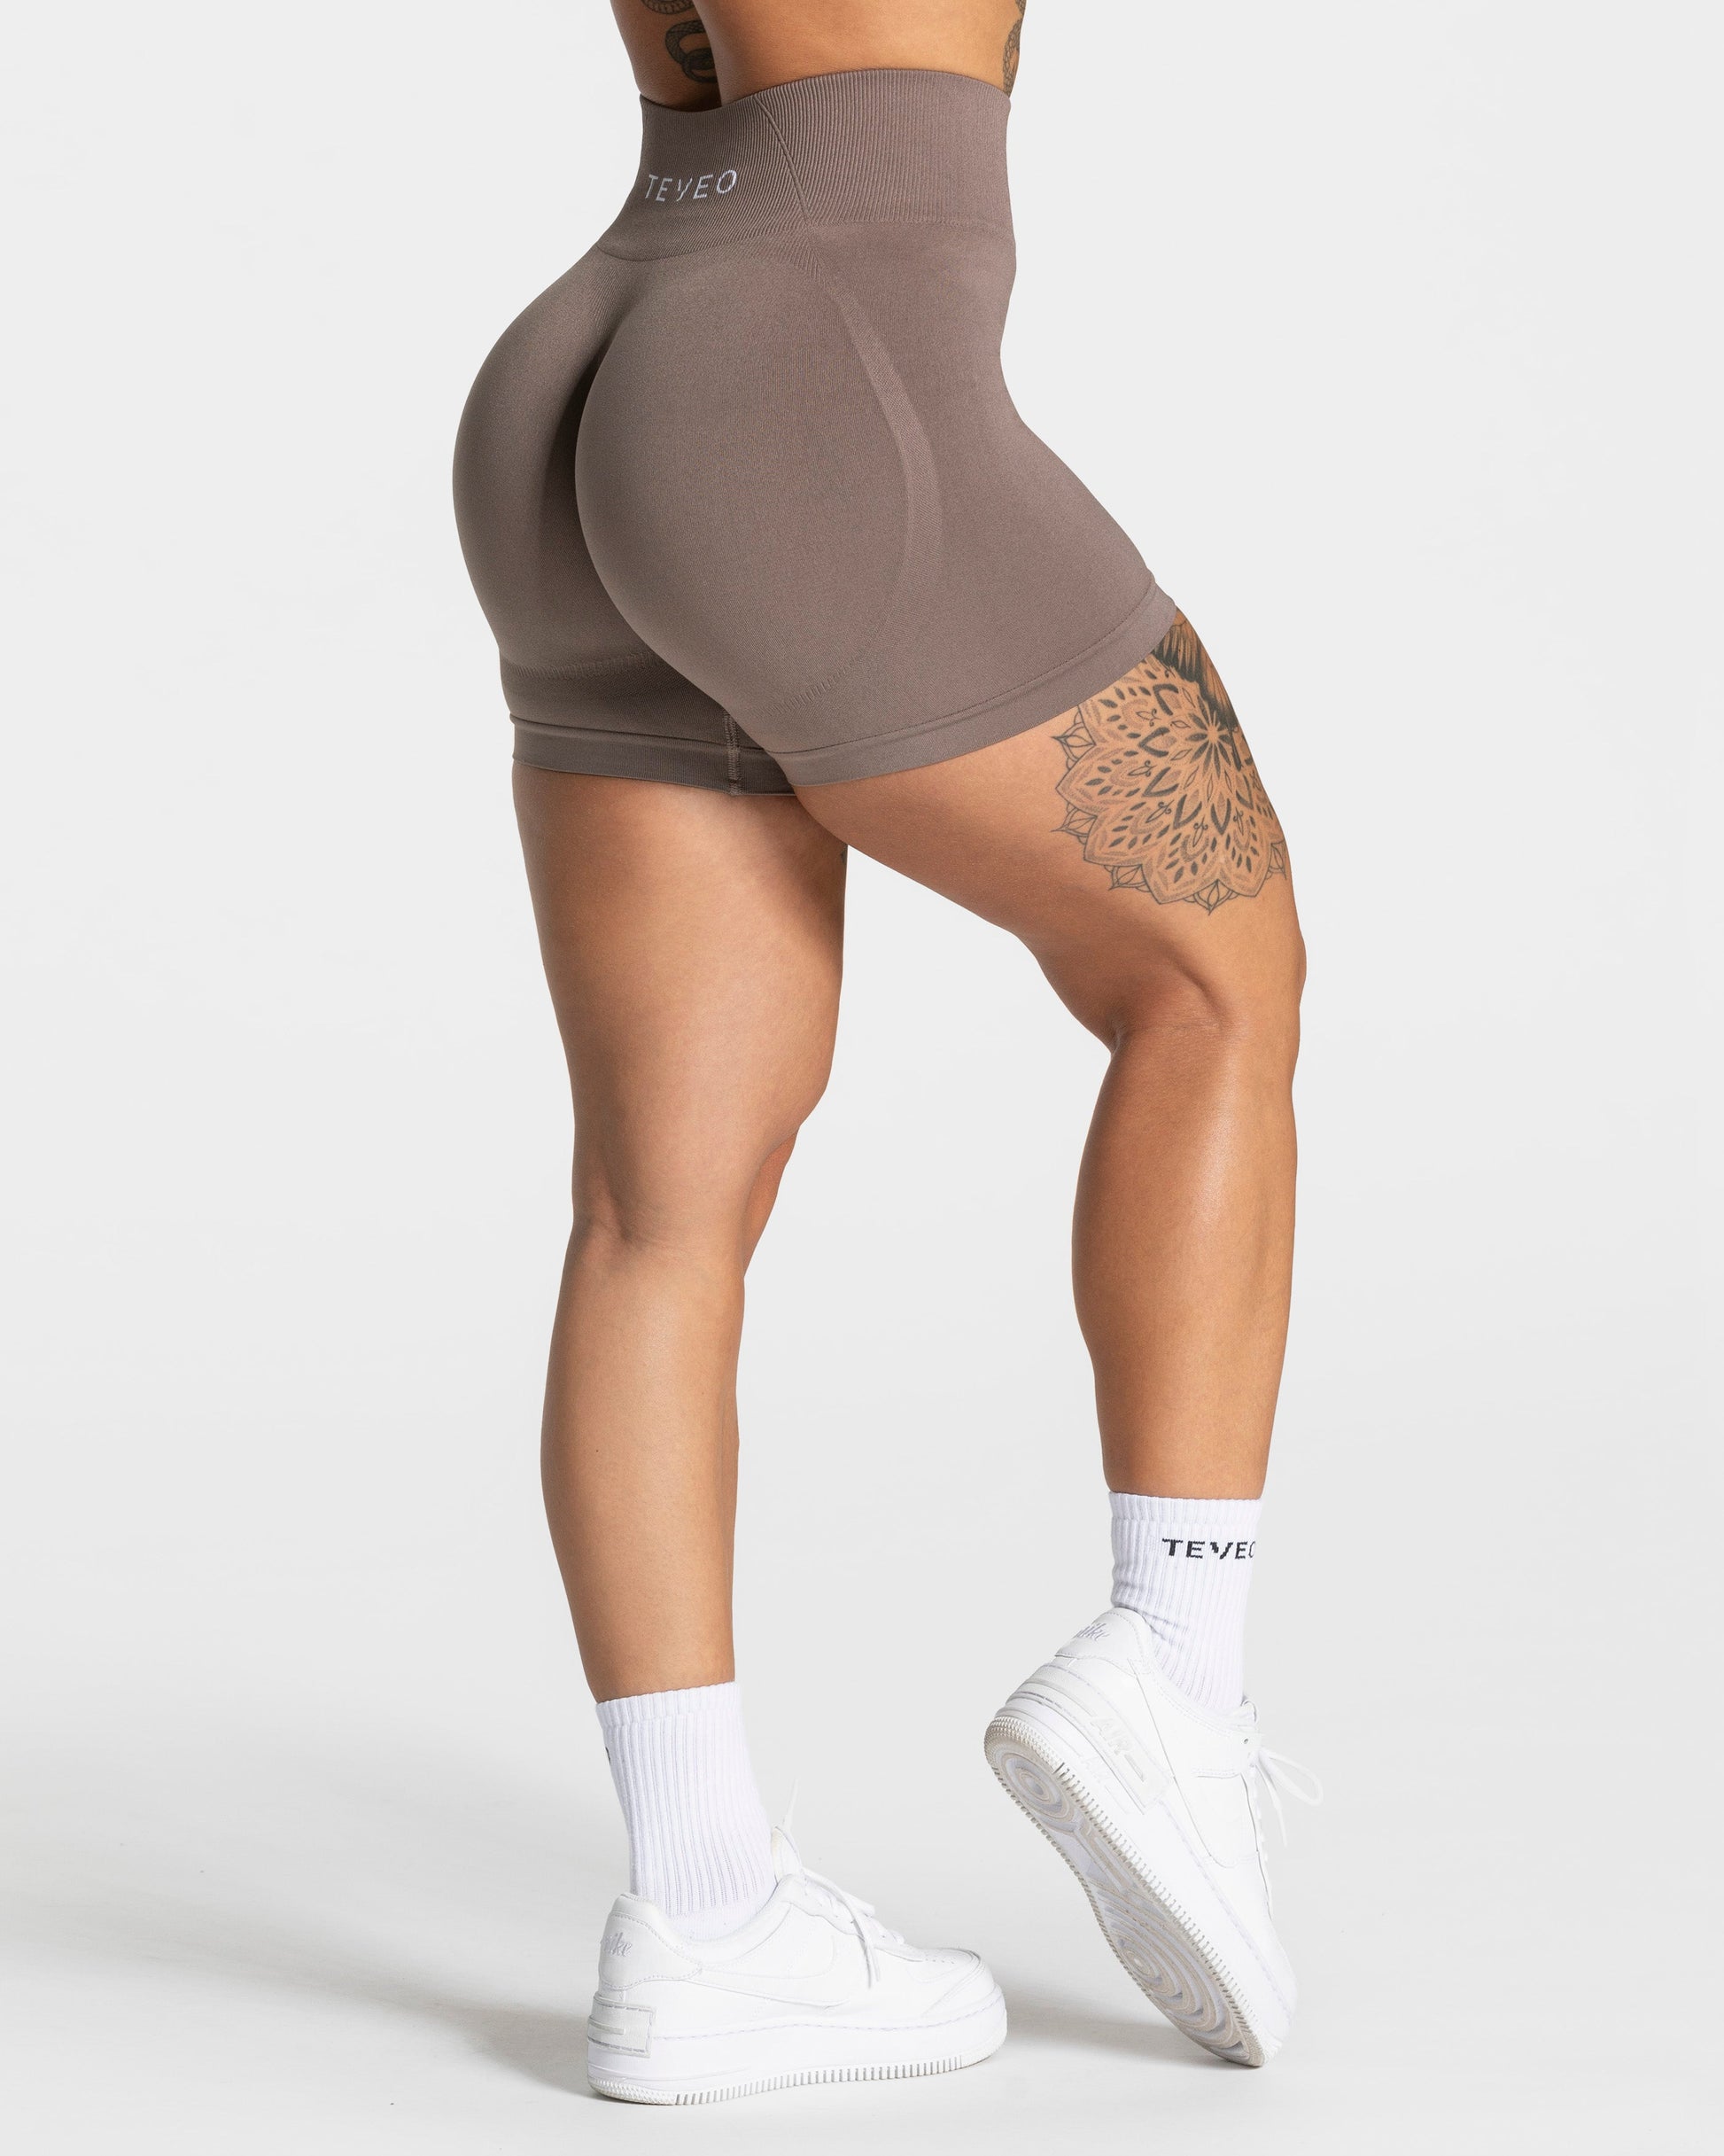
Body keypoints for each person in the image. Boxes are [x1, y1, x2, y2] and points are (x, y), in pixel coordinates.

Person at [453, 0, 1316, 2105]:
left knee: (655, 1204)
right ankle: (1175, 1675)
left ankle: (705, 1915)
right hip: (810, 375)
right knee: (1214, 980)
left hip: (592, 363)